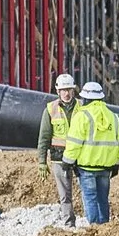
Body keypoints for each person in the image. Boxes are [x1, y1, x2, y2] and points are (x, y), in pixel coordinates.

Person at [66, 79, 119, 224]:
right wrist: (117, 164)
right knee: (102, 199)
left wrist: (68, 161)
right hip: (106, 168)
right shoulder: (113, 117)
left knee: (90, 199)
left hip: (86, 167)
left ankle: (93, 228)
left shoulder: (82, 116)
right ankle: (104, 227)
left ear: (86, 98)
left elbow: (74, 142)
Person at [37, 72, 83, 225]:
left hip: (81, 156)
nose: (66, 93)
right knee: (65, 194)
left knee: (87, 191)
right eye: (63, 90)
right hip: (59, 157)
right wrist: (41, 161)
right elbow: (44, 137)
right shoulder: (51, 109)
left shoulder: (83, 107)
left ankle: (91, 223)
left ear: (73, 90)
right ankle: (69, 223)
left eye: (69, 89)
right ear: (57, 92)